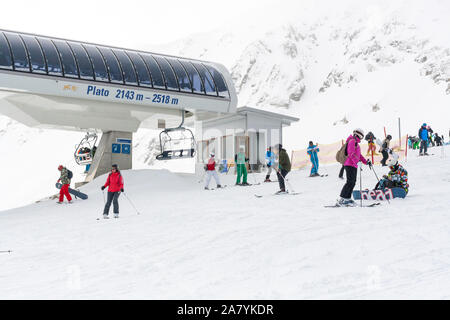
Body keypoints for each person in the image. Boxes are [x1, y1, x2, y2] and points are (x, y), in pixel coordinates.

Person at [338, 128, 372, 206]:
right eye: (362, 137)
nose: (361, 138)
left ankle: (347, 198)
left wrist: (366, 162)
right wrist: (357, 162)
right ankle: (343, 199)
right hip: (349, 164)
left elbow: (359, 155)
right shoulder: (352, 141)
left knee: (352, 182)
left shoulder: (356, 142)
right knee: (350, 182)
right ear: (359, 135)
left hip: (353, 164)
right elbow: (351, 154)